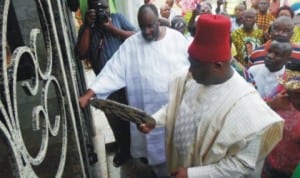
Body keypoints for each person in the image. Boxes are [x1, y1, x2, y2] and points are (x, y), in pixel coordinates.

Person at [139, 14, 284, 178]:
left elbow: (243, 164)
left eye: (195, 66)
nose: (190, 71)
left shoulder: (247, 106)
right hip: (179, 166)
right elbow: (174, 107)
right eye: (190, 63)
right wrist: (154, 120)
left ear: (217, 66)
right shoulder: (191, 78)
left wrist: (193, 174)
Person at [79, 3, 189, 177]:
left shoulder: (177, 40)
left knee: (178, 157)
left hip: (175, 117)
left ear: (158, 22)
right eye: (142, 27)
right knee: (156, 158)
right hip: (147, 118)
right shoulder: (132, 44)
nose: (146, 32)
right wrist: (89, 93)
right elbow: (113, 69)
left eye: (150, 26)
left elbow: (194, 71)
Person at [75, 0, 136, 167]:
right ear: (90, 9)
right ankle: (123, 150)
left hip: (128, 80)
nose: (101, 9)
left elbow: (137, 37)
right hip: (104, 86)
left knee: (134, 117)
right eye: (96, 6)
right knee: (115, 120)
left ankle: (139, 150)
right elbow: (81, 53)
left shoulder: (118, 18)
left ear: (109, 5)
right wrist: (88, 26)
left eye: (103, 5)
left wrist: (111, 28)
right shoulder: (87, 28)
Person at [261, 60, 300, 178]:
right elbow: (256, 114)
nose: (294, 98)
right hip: (270, 166)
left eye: (298, 94)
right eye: (291, 92)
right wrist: (272, 104)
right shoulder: (280, 98)